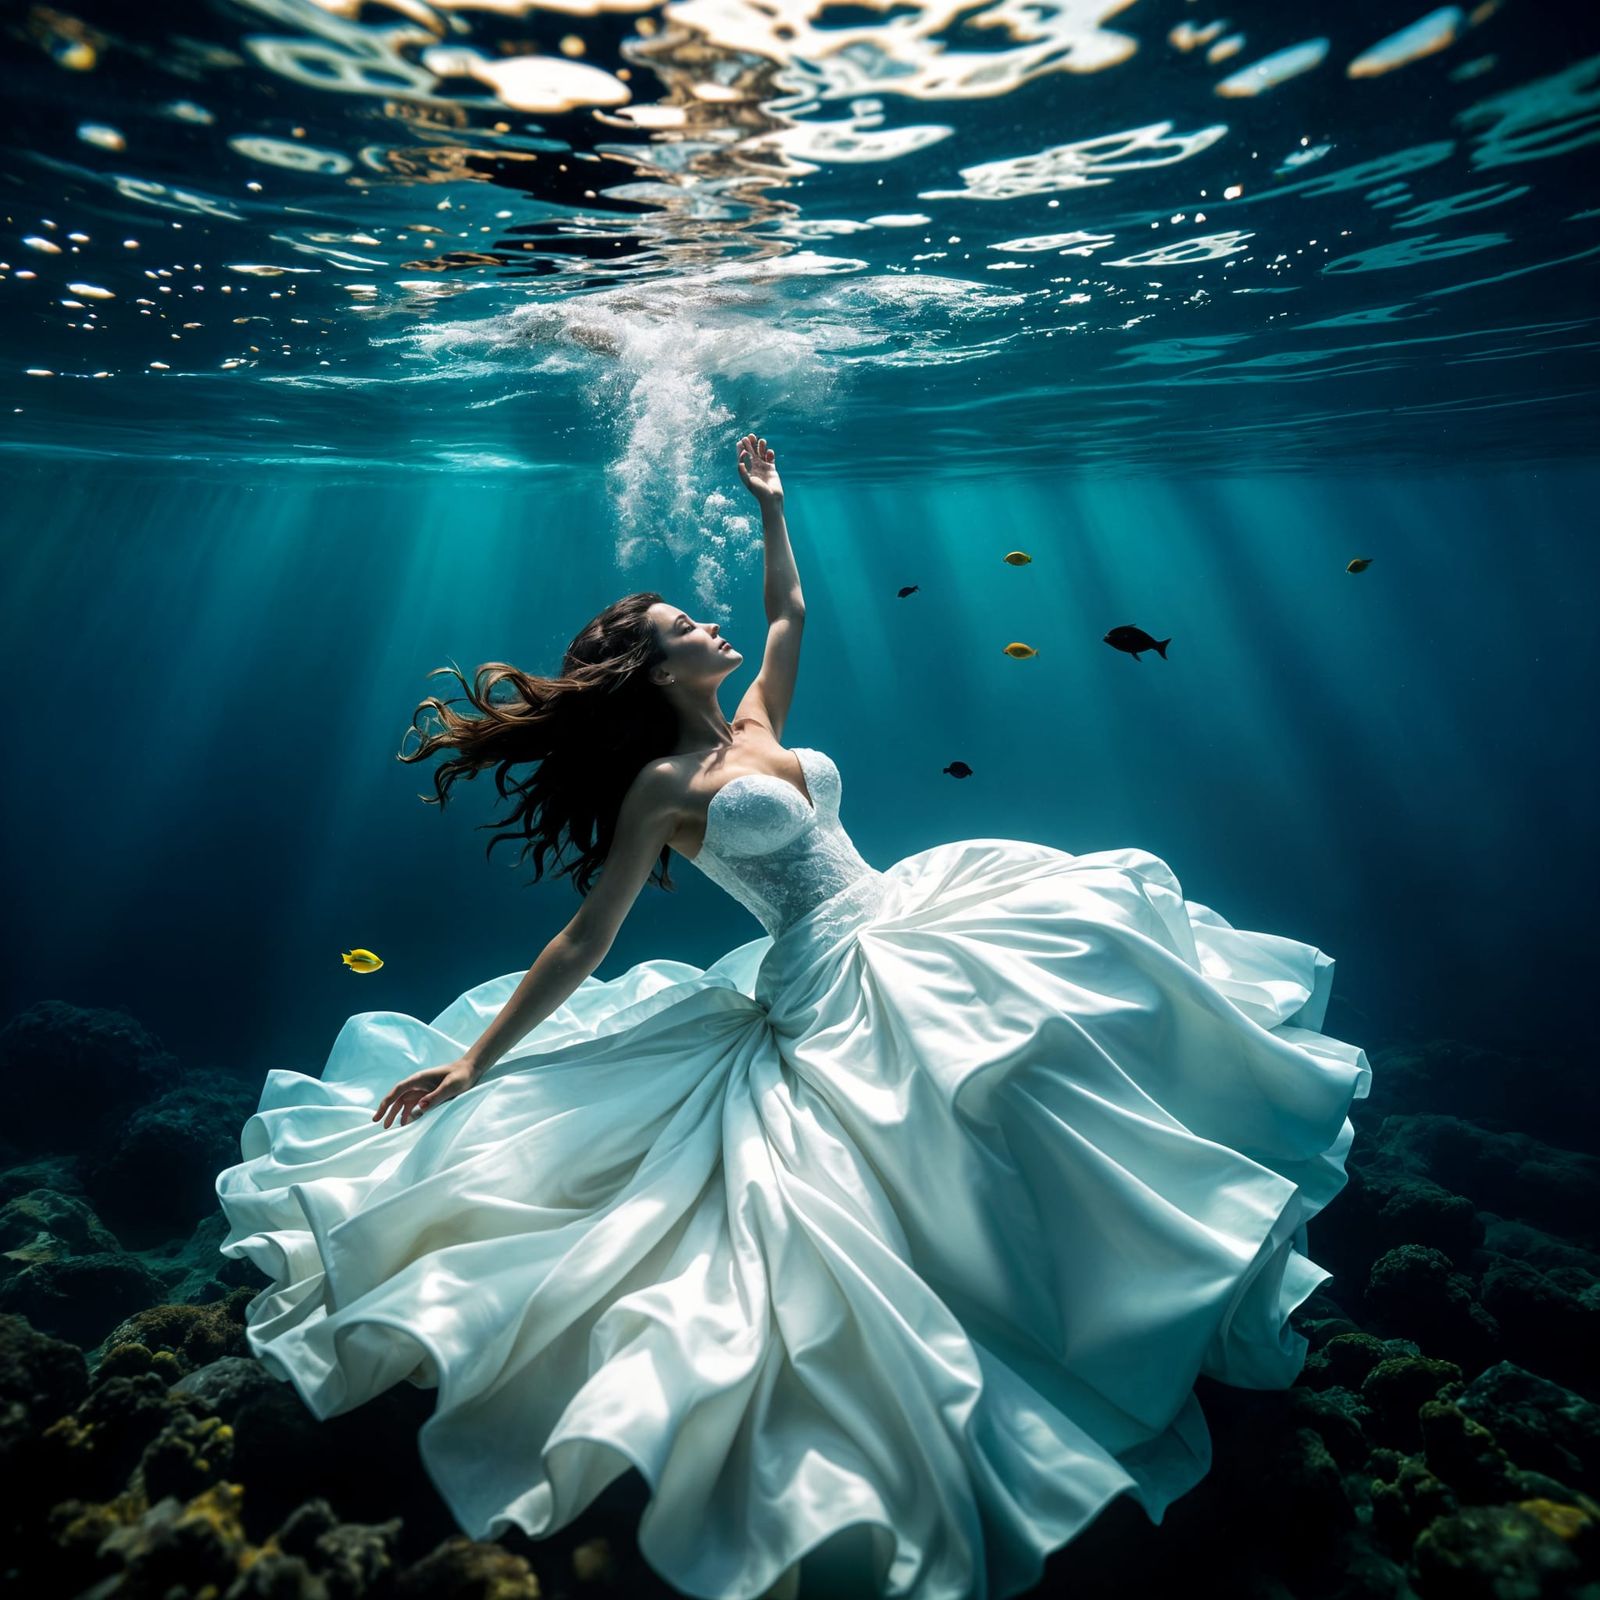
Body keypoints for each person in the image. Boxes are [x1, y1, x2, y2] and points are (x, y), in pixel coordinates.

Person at [215, 430, 1371, 1600]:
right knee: (935, 1134)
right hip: (826, 980)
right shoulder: (663, 787)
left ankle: (1122, 1286)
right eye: (684, 625)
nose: (710, 625)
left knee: (1075, 987)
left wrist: (772, 504)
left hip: (909, 917)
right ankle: (1020, 1349)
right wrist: (474, 1058)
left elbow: (789, 612)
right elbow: (587, 937)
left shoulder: (758, 721)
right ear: (652, 669)